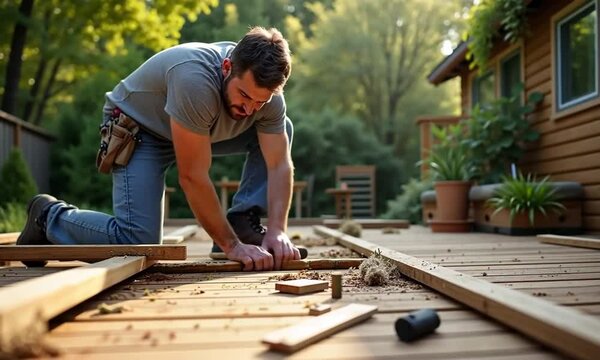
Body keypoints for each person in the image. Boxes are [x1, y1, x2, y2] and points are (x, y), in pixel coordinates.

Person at [17, 26, 301, 271]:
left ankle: (242, 221)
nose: (249, 109)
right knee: (138, 243)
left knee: (280, 129)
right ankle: (48, 216)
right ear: (227, 68)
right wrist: (232, 247)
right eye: (244, 95)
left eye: (259, 102)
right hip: (142, 129)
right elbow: (192, 177)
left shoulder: (269, 99)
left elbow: (278, 164)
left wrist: (278, 230)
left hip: (199, 126)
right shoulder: (194, 80)